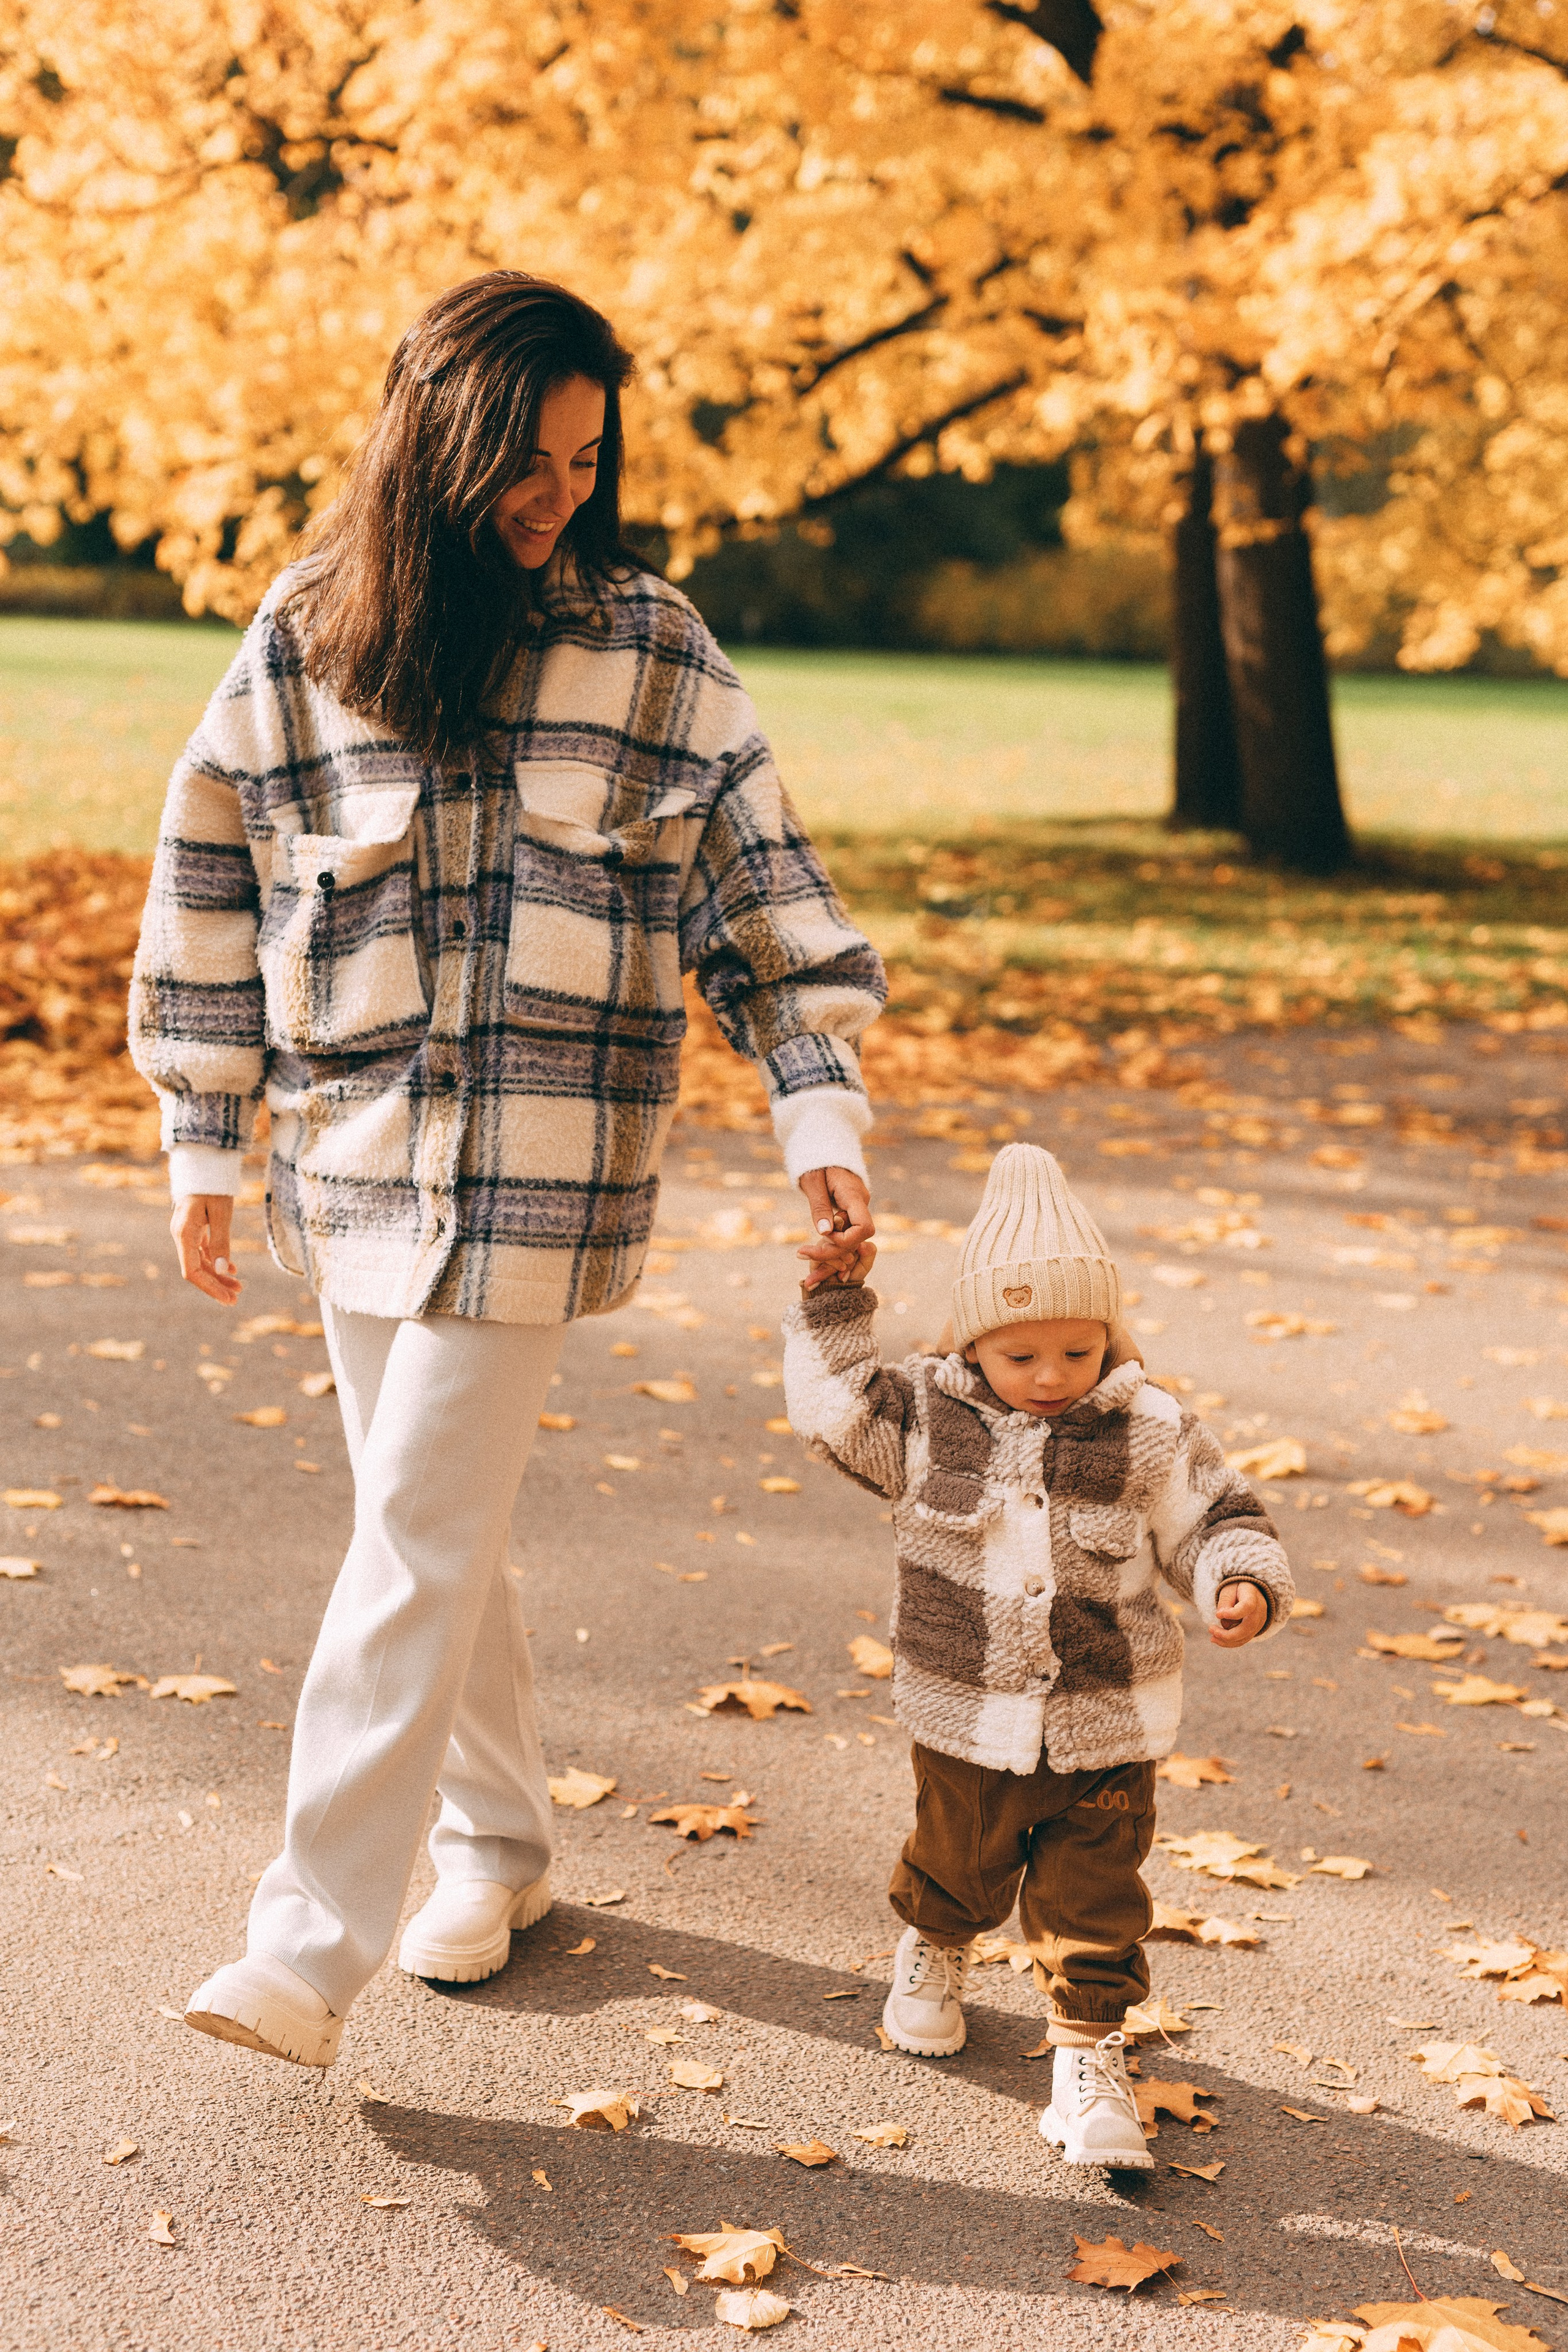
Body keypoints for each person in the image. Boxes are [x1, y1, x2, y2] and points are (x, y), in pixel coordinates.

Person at [129, 271, 884, 2068]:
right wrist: (201, 1137)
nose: (558, 495)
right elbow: (208, 882)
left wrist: (820, 1125)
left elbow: (763, 911)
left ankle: (307, 1951)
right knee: (434, 1526)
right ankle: (502, 1850)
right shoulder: (308, 637)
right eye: (524, 461)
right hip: (356, 1163)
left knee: (409, 1531)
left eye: (584, 460)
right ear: (432, 446)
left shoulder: (653, 647)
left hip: (546, 1177)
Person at [781, 1142, 1293, 2171]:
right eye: (1023, 1358)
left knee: (1094, 1901)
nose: (1053, 1378)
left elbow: (1217, 1516)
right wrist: (835, 1306)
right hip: (966, 1714)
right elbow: (830, 1413)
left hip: (1110, 1725)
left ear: (1110, 1335)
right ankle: (936, 1943)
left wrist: (1238, 1578)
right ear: (974, 1345)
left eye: (1078, 1351)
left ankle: (1087, 2058)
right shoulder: (924, 1416)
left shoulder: (1149, 1428)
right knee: (959, 1862)